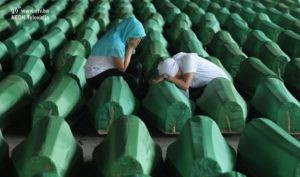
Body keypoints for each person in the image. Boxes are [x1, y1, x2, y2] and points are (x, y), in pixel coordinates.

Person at [84, 17, 146, 96]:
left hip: (106, 65)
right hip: (95, 75)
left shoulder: (119, 33)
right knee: (133, 82)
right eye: (138, 36)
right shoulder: (115, 43)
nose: (139, 40)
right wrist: (130, 47)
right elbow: (122, 68)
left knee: (137, 67)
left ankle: (134, 90)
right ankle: (126, 95)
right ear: (130, 32)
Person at [150, 52, 230, 100]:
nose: (176, 79)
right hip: (203, 83)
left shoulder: (189, 60)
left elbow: (185, 86)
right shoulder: (174, 62)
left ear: (177, 70)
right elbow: (153, 81)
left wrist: (167, 77)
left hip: (219, 84)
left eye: (176, 76)